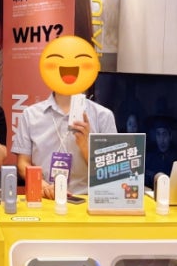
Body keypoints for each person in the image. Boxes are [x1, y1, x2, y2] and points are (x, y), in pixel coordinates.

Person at [11, 36, 116, 197]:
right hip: (44, 200)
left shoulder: (103, 116)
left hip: (86, 200)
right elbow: (22, 163)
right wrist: (44, 187)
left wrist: (86, 147)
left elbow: (111, 172)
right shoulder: (30, 115)